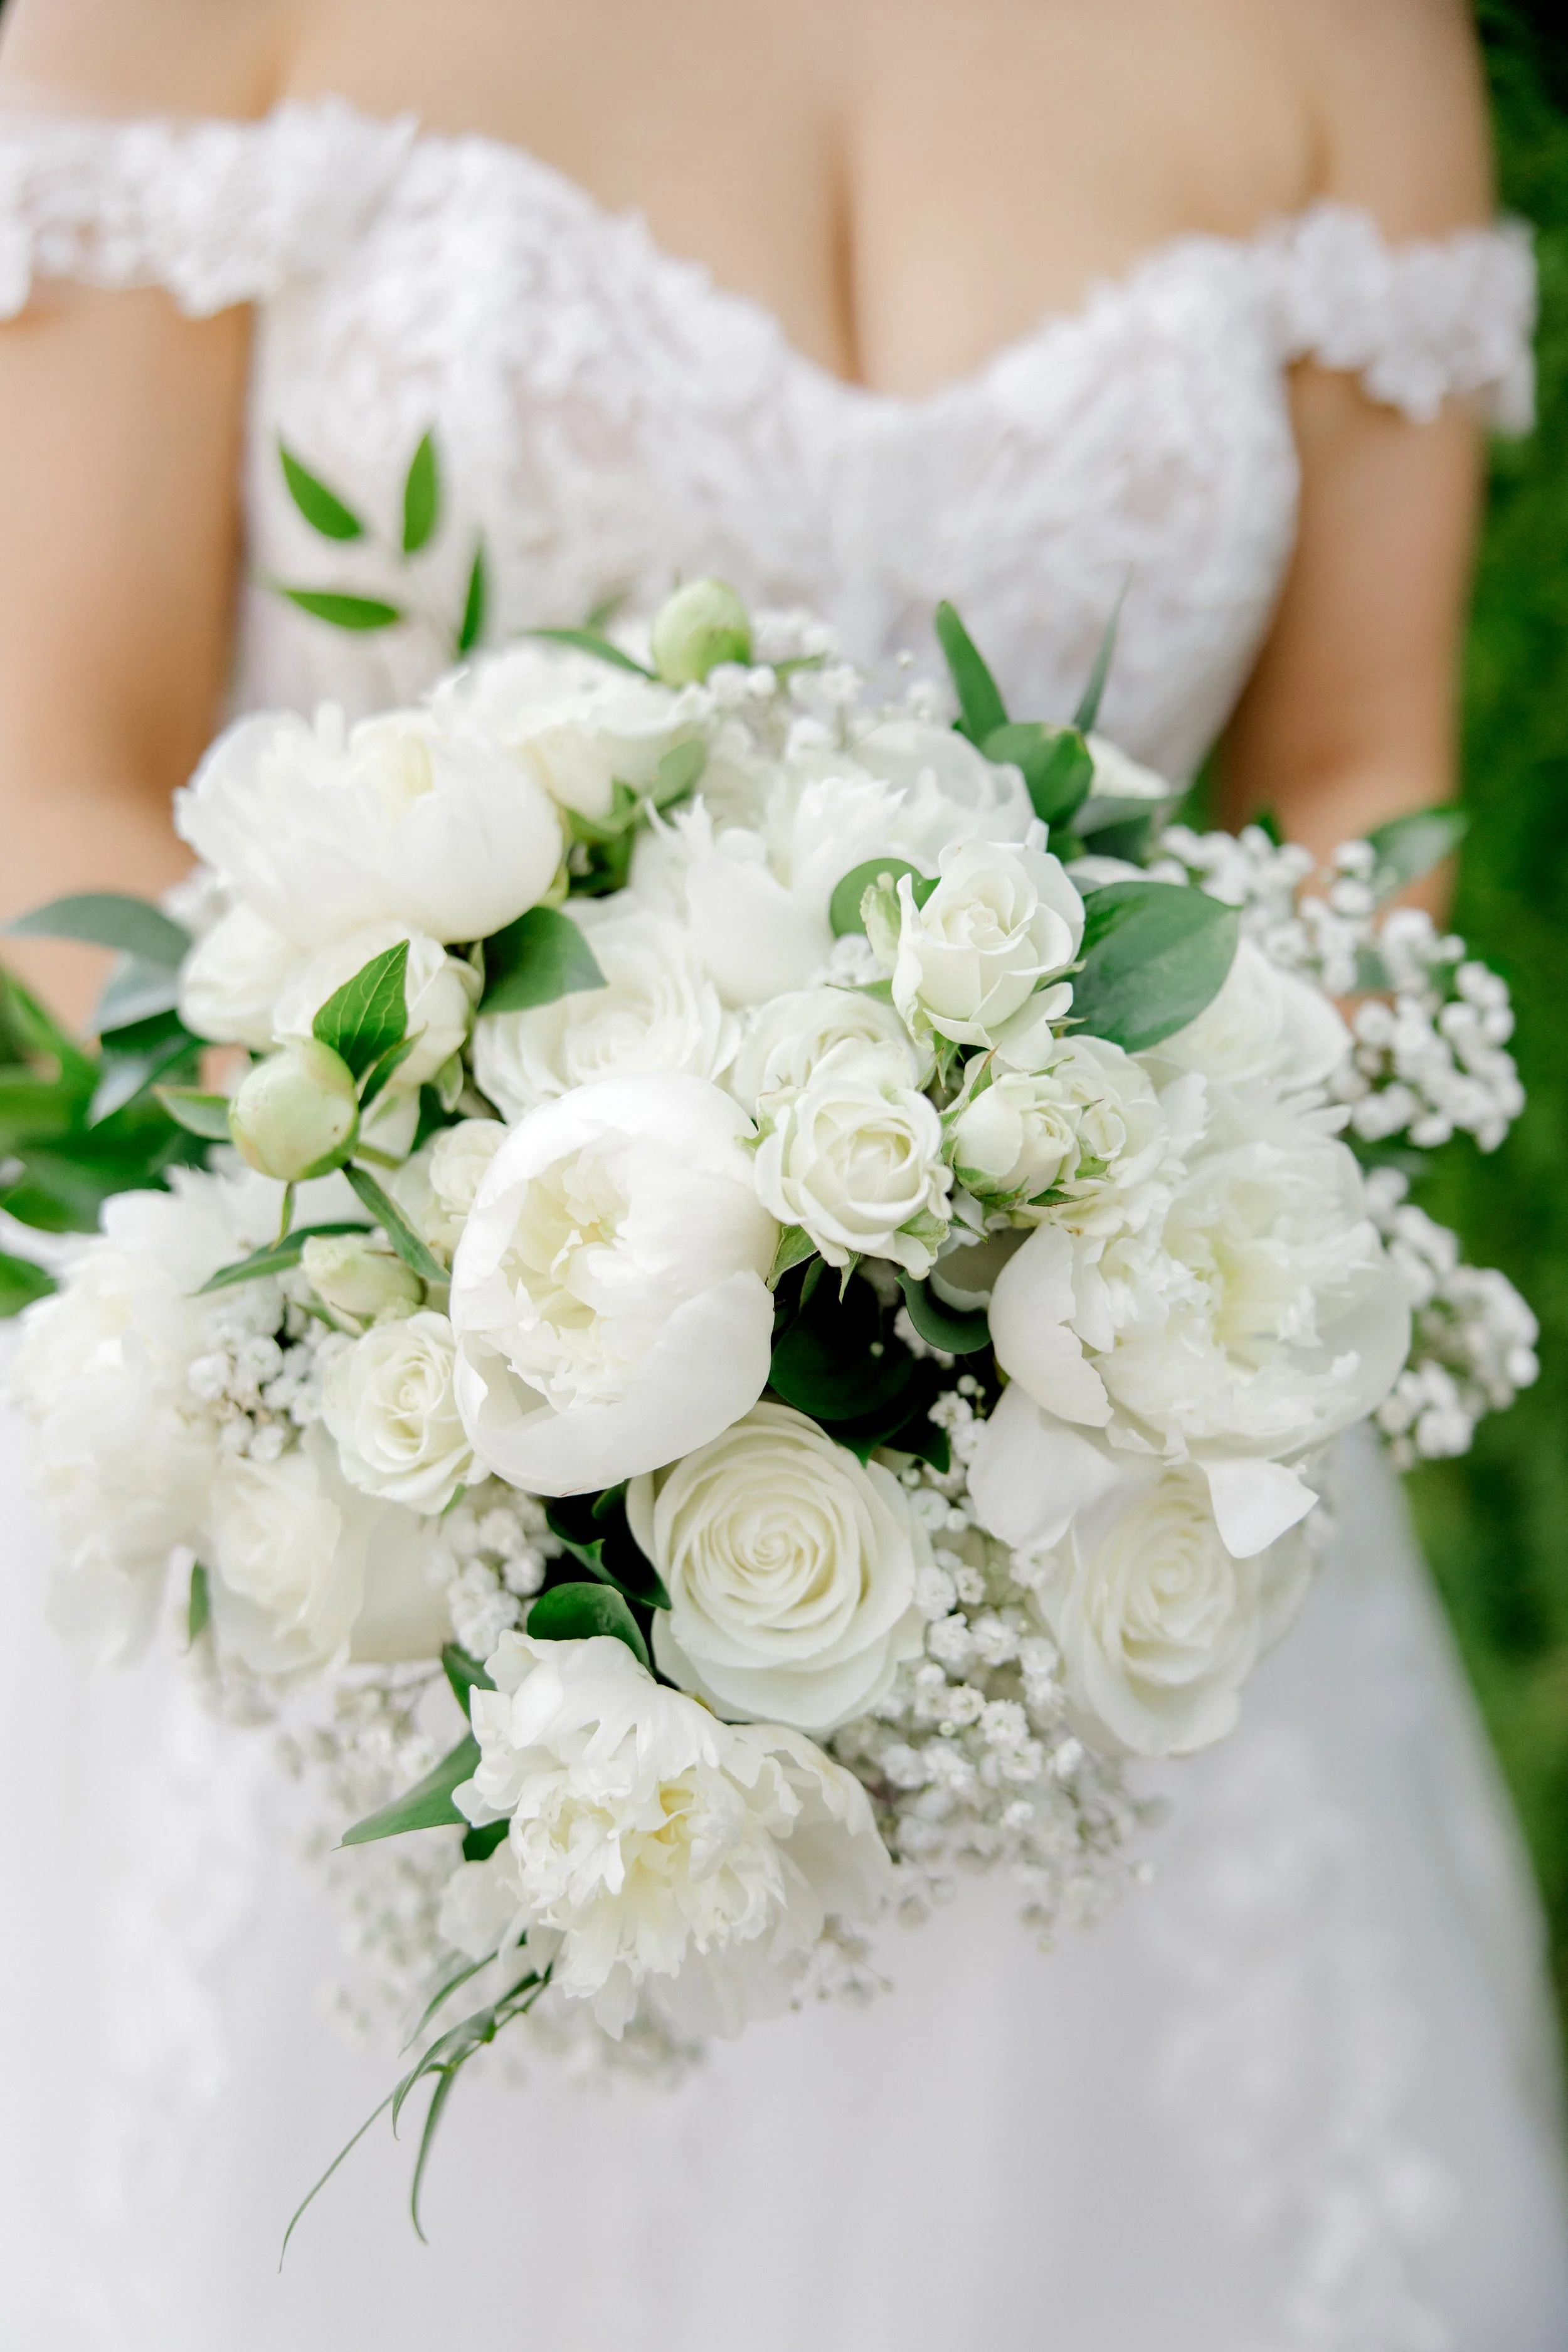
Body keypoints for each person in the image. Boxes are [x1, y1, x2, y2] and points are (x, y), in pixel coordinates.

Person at [1, 1, 1565, 2343]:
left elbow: (1352, 783)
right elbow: (58, 786)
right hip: (390, 1528)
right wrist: (450, 1254)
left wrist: (1064, 1225)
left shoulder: (1345, 38)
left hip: (1094, 1526)